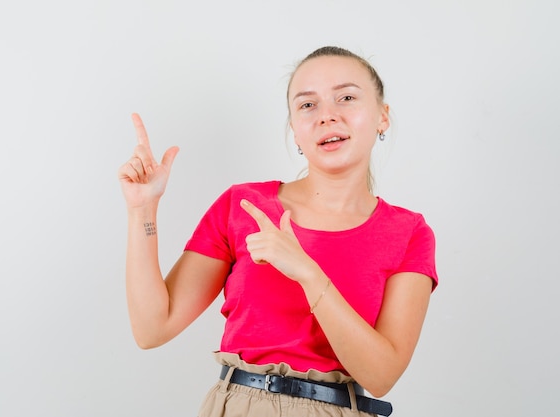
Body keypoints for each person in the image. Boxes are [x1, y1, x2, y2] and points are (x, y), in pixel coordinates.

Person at [118, 46, 438, 417]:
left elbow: (381, 375)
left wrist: (307, 272)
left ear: (382, 117)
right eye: (307, 105)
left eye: (346, 98)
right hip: (239, 406)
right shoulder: (244, 206)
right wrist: (142, 208)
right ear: (294, 130)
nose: (327, 116)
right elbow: (152, 328)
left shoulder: (409, 232)